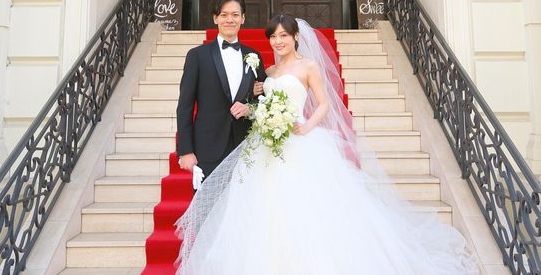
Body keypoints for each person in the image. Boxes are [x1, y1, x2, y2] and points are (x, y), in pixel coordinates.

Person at [175, 14, 479, 274]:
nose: (278, 41)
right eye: (273, 37)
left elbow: (324, 104)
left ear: (296, 37)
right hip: (267, 144)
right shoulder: (268, 72)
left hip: (300, 142)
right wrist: (258, 108)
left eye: (284, 35)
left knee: (306, 211)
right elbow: (260, 101)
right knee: (262, 212)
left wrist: (306, 127)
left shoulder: (308, 67)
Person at [176, 0, 266, 180]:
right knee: (209, 199)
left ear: (243, 18)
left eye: (235, 15)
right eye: (224, 15)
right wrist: (185, 150)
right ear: (215, 18)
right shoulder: (197, 56)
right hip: (208, 146)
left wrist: (249, 108)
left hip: (245, 147)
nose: (229, 20)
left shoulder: (254, 56)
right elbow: (184, 106)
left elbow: (263, 100)